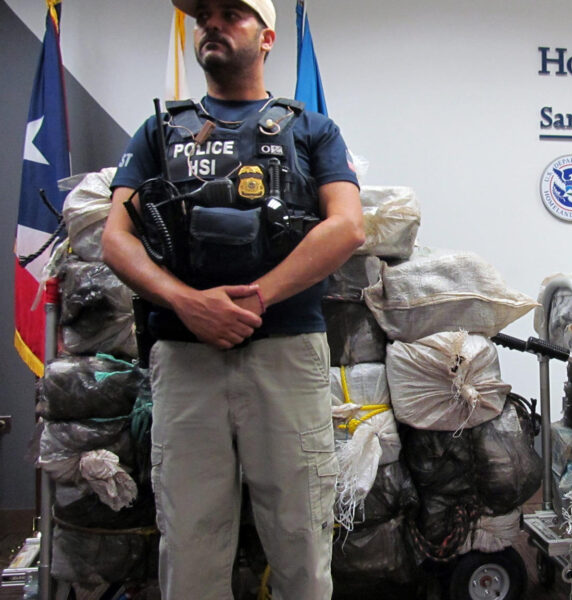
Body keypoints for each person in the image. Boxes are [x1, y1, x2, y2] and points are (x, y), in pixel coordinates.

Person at [101, 0, 364, 597]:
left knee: (300, 537)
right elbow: (115, 239)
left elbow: (346, 226)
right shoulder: (158, 131)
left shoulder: (312, 129)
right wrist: (187, 302)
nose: (213, 24)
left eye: (232, 14)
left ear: (267, 37)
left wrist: (256, 298)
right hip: (185, 357)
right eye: (204, 17)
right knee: (190, 542)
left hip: (286, 354)